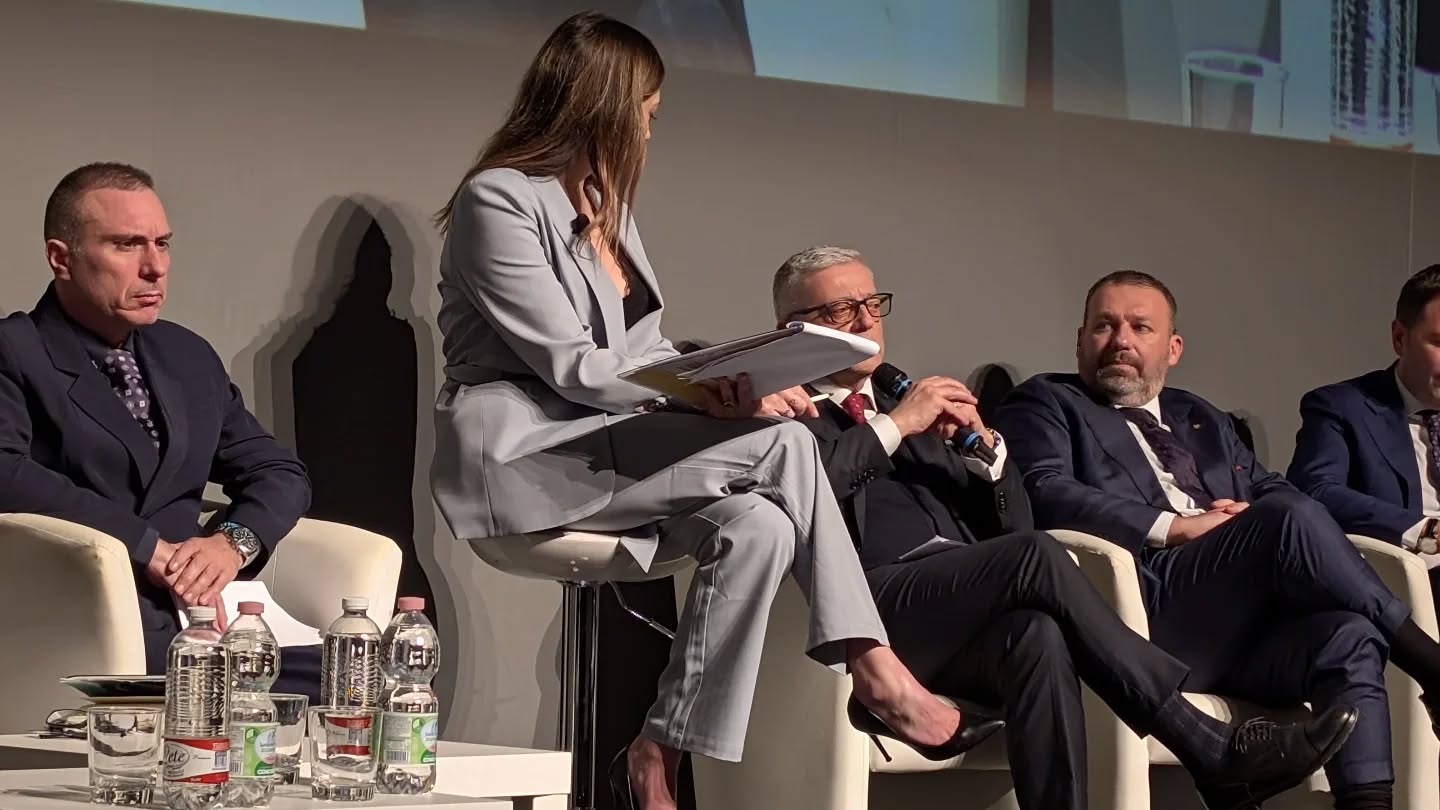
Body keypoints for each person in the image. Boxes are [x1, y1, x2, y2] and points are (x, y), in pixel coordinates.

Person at [428, 14, 964, 810]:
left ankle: (659, 748)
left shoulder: (606, 207)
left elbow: (642, 348)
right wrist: (693, 391)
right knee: (788, 446)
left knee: (762, 524)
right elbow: (571, 364)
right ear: (607, 104)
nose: (651, 128)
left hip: (606, 444)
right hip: (526, 456)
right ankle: (874, 668)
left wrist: (727, 375)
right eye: (647, 109)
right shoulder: (497, 199)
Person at [775, 246, 1355, 810]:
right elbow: (804, 485)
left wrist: (989, 462)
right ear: (792, 328)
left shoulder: (908, 403)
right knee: (1035, 555)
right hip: (863, 608)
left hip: (955, 602)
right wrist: (896, 427)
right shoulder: (778, 404)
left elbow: (1013, 528)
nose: (866, 321)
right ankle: (1202, 742)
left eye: (873, 303)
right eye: (841, 309)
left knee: (1037, 635)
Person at [997, 269, 1440, 810]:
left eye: (1141, 327)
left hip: (1241, 629)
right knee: (1285, 518)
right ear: (1080, 339)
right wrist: (1178, 526)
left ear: (1173, 348)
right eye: (1104, 326)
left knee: (1348, 636)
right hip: (1146, 611)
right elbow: (1044, 489)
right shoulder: (1046, 401)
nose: (1121, 341)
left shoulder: (1200, 415)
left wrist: (1246, 514)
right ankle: (1429, 663)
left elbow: (1273, 487)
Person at [0, 162, 320, 699]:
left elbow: (278, 471)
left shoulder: (185, 354)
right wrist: (146, 546)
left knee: (359, 676)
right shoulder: (15, 351)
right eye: (126, 245)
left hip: (197, 619)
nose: (154, 268)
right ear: (61, 258)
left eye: (162, 244)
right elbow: (6, 473)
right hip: (84, 615)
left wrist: (231, 544)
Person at [1289, 265, 1440, 583]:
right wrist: (1427, 532)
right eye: (1439, 342)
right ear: (1400, 338)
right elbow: (1315, 491)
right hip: (1401, 581)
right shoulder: (1341, 407)